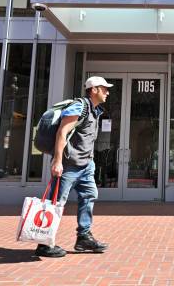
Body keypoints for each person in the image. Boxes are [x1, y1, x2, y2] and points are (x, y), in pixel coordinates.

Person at [35, 76, 113, 258]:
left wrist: (90, 161)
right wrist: (57, 160)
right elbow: (62, 132)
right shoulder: (80, 106)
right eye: (104, 89)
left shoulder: (95, 111)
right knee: (56, 203)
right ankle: (44, 243)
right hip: (68, 165)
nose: (107, 92)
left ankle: (83, 237)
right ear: (94, 90)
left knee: (89, 195)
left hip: (86, 165)